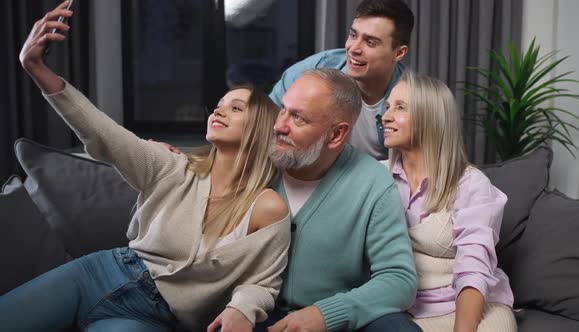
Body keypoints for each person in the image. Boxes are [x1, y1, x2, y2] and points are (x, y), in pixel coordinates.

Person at [0, 2, 291, 331]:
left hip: (150, 316)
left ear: (259, 128)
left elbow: (264, 282)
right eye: (220, 104)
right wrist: (35, 66)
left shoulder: (266, 206)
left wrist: (243, 309)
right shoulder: (172, 166)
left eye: (236, 108)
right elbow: (102, 132)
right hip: (97, 274)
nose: (219, 111)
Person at [255, 68, 420, 332]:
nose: (279, 126)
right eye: (283, 109)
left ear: (336, 135)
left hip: (339, 320)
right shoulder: (257, 166)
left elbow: (399, 280)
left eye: (298, 118)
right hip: (261, 313)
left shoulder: (373, 182)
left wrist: (326, 314)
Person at [380, 71, 517, 332]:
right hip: (400, 310)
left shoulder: (471, 184)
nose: (385, 116)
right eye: (387, 107)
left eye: (400, 108)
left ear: (428, 117)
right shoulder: (375, 176)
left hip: (467, 308)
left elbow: (473, 267)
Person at [269, 0, 414, 160]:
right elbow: (265, 120)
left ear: (399, 53)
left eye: (370, 42)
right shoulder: (315, 69)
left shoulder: (412, 96)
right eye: (353, 35)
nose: (354, 48)